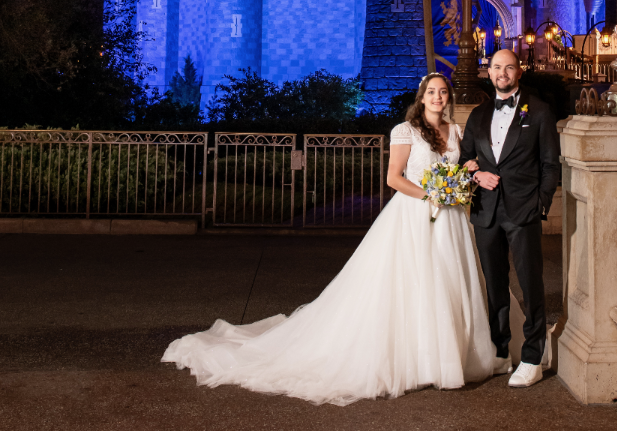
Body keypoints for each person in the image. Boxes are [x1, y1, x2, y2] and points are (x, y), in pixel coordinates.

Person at [162, 73, 500, 406]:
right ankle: (418, 360)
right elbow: (394, 178)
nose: (438, 98)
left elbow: (460, 169)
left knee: (447, 284)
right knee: (409, 285)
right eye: (432, 92)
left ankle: (447, 356)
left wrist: (464, 176)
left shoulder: (456, 131)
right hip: (413, 215)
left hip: (450, 221)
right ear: (421, 97)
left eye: (443, 92)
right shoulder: (405, 131)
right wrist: (430, 194)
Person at [460, 49, 561, 388]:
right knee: (494, 285)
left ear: (519, 72)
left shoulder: (541, 111)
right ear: (488, 73)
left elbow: (550, 165)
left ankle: (533, 357)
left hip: (523, 211)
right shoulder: (477, 115)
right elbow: (465, 159)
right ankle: (501, 352)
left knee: (531, 284)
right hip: (485, 212)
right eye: (496, 68)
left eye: (508, 67)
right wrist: (476, 176)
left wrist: (540, 203)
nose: (502, 73)